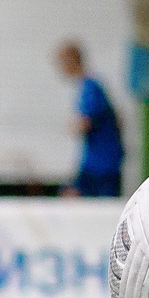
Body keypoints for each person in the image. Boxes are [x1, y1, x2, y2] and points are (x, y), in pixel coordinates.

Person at [54, 40, 125, 197]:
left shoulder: (90, 88)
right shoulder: (91, 86)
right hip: (98, 160)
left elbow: (83, 123)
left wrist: (71, 126)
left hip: (101, 165)